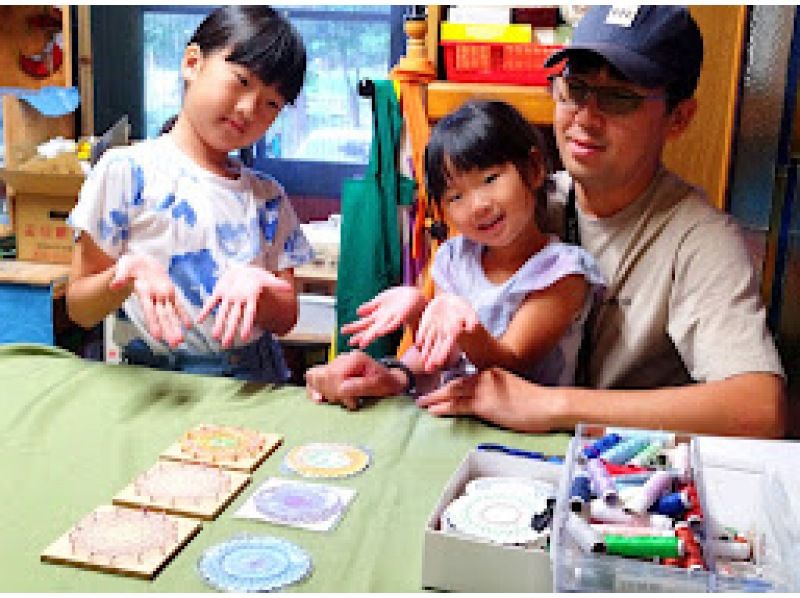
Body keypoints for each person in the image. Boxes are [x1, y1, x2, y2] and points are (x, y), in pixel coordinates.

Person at [305, 5, 786, 438]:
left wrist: (553, 406)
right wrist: (394, 375)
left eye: (618, 98)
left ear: (678, 118)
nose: (585, 118)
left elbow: (760, 409)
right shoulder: (512, 205)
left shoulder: (697, 238)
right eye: (575, 89)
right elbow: (447, 341)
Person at [66, 6, 313, 382]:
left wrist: (260, 288)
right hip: (149, 384)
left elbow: (285, 318)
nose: (248, 109)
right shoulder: (126, 171)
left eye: (271, 103)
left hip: (251, 381)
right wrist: (123, 274)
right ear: (192, 63)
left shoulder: (269, 198)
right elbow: (80, 308)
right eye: (241, 81)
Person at [329, 100, 604, 397]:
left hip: (525, 432)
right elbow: (441, 354)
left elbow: (509, 365)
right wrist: (418, 313)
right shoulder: (455, 257)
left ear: (535, 169)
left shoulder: (562, 271)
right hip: (455, 417)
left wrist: (462, 324)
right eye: (456, 196)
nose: (478, 206)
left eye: (490, 179)